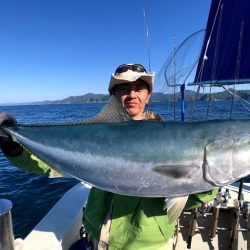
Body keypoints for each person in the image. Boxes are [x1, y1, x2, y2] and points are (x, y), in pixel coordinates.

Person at [0, 63, 217, 250]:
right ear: (113, 96)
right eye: (124, 88)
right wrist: (12, 147)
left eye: (139, 88)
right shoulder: (92, 136)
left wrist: (211, 178)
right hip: (96, 239)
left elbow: (192, 198)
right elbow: (50, 165)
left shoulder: (173, 139)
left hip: (146, 245)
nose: (132, 94)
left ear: (148, 96)